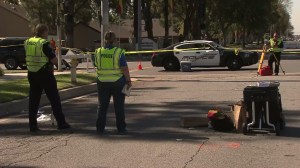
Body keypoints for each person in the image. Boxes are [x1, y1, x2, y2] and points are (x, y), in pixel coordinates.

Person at [24, 24, 71, 132]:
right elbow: (54, 60)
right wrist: (60, 66)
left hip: (32, 73)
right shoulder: (44, 43)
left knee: (34, 100)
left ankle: (33, 125)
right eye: (47, 32)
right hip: (44, 73)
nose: (47, 34)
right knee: (54, 99)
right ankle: (61, 123)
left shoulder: (28, 42)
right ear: (43, 32)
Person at [93, 31, 132, 134]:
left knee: (102, 106)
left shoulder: (98, 51)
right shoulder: (118, 52)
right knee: (119, 106)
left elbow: (96, 64)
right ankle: (121, 129)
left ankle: (100, 128)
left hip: (102, 82)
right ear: (115, 40)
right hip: (117, 82)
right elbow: (124, 68)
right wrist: (128, 81)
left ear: (104, 39)